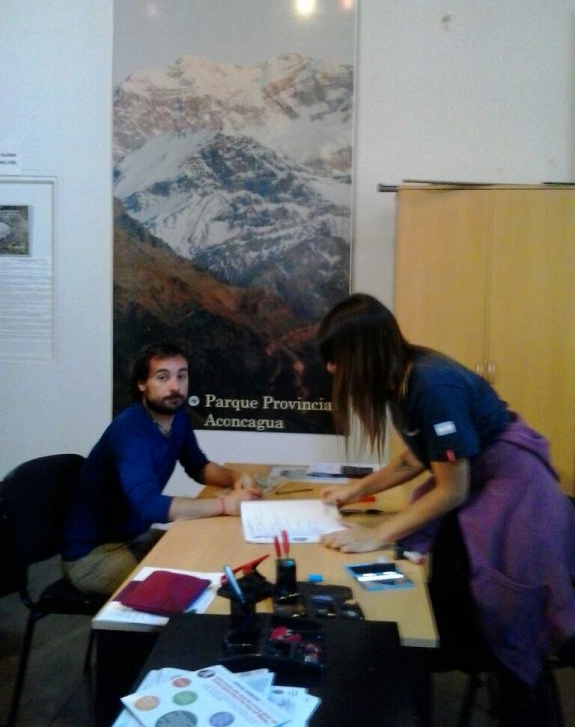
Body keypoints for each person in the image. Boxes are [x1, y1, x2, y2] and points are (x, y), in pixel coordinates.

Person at [316, 293, 575, 725]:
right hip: (479, 478)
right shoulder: (400, 379)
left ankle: (514, 698)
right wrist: (354, 491)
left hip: (514, 491)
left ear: (363, 352)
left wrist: (376, 535)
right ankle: (437, 658)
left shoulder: (432, 385)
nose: (330, 369)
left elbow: (451, 490)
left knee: (502, 598)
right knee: (439, 573)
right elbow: (416, 458)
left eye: (336, 359)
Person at [61, 341, 261, 595]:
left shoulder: (177, 418)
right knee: (195, 585)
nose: (175, 386)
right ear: (142, 384)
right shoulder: (130, 432)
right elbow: (150, 505)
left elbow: (197, 466)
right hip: (92, 558)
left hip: (132, 538)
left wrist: (235, 479)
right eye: (163, 377)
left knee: (210, 553)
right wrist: (225, 505)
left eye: (181, 376)